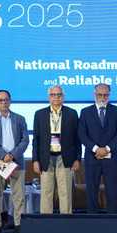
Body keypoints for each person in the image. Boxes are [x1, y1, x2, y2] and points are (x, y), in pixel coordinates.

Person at [0, 90, 29, 233]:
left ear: (10, 101)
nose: (3, 102)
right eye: (0, 100)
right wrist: (4, 155)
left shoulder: (20, 119)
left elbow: (25, 140)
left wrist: (12, 155)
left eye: (6, 100)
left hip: (17, 162)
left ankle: (19, 224)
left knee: (19, 196)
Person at [78, 83, 117, 214]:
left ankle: (113, 222)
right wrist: (96, 149)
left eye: (105, 95)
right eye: (100, 95)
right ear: (94, 95)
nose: (103, 97)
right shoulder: (85, 112)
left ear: (109, 95)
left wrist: (107, 149)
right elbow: (82, 134)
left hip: (111, 159)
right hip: (92, 158)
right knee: (91, 193)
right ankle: (92, 221)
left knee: (112, 193)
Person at [32, 85, 80, 214]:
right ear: (49, 97)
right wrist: (35, 160)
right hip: (45, 158)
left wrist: (77, 159)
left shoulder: (72, 113)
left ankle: (66, 221)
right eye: (53, 95)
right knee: (46, 192)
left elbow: (77, 139)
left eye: (59, 95)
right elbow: (36, 139)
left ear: (63, 97)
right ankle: (46, 222)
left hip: (65, 158)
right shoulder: (39, 114)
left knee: (65, 193)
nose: (56, 97)